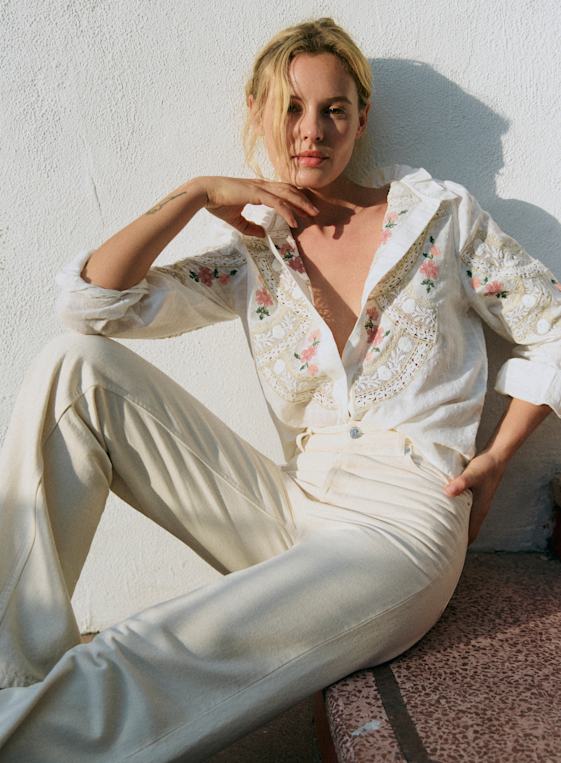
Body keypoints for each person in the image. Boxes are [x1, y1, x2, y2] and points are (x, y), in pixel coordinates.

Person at [0, 14, 559, 763]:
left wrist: (496, 457)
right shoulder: (251, 250)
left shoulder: (439, 220)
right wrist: (194, 193)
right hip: (294, 505)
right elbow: (93, 305)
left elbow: (554, 327)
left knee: (170, 642)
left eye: (333, 109)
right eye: (290, 108)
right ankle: (12, 670)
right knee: (75, 366)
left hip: (401, 524)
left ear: (361, 118)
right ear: (258, 113)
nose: (311, 130)